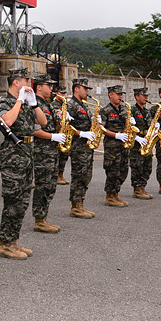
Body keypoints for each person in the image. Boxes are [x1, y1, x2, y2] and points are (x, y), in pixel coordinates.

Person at [0, 68, 46, 259]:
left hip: (27, 154)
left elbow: (43, 121)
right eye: (26, 80)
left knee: (23, 201)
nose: (29, 83)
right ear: (16, 82)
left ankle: (13, 241)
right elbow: (7, 121)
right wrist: (19, 101)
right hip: (12, 157)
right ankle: (4, 243)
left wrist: (33, 105)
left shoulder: (27, 102)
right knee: (13, 200)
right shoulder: (4, 101)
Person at [31, 74, 63, 233]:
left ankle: (43, 217)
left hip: (51, 150)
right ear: (39, 87)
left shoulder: (47, 104)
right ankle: (39, 219)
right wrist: (52, 136)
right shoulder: (34, 104)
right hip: (41, 151)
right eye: (48, 85)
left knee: (50, 185)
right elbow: (35, 130)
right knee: (43, 185)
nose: (51, 88)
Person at [65, 78, 97, 217]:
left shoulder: (84, 105)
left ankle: (81, 203)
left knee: (86, 175)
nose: (87, 91)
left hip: (87, 146)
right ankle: (75, 206)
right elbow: (65, 125)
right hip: (78, 146)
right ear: (76, 89)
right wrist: (81, 133)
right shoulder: (71, 104)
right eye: (85, 88)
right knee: (79, 175)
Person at [98, 85, 131, 207]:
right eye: (118, 94)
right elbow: (101, 128)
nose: (120, 96)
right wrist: (116, 135)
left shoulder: (125, 108)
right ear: (110, 95)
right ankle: (109, 196)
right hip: (112, 144)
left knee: (123, 170)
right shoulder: (105, 110)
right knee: (112, 170)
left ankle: (116, 194)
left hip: (123, 144)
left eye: (121, 94)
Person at [128, 87, 156, 199]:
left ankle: (143, 187)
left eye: (147, 96)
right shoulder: (132, 110)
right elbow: (129, 127)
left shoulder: (147, 111)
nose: (146, 98)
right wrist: (136, 138)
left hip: (146, 140)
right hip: (137, 142)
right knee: (137, 166)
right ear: (137, 96)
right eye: (144, 96)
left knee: (147, 165)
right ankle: (137, 189)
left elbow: (149, 125)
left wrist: (155, 130)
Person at [53, 85, 70, 185]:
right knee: (57, 156)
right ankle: (56, 176)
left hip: (65, 133)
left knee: (64, 156)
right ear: (57, 94)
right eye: (62, 93)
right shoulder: (54, 104)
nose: (64, 95)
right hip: (57, 133)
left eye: (65, 93)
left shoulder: (65, 104)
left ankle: (61, 175)